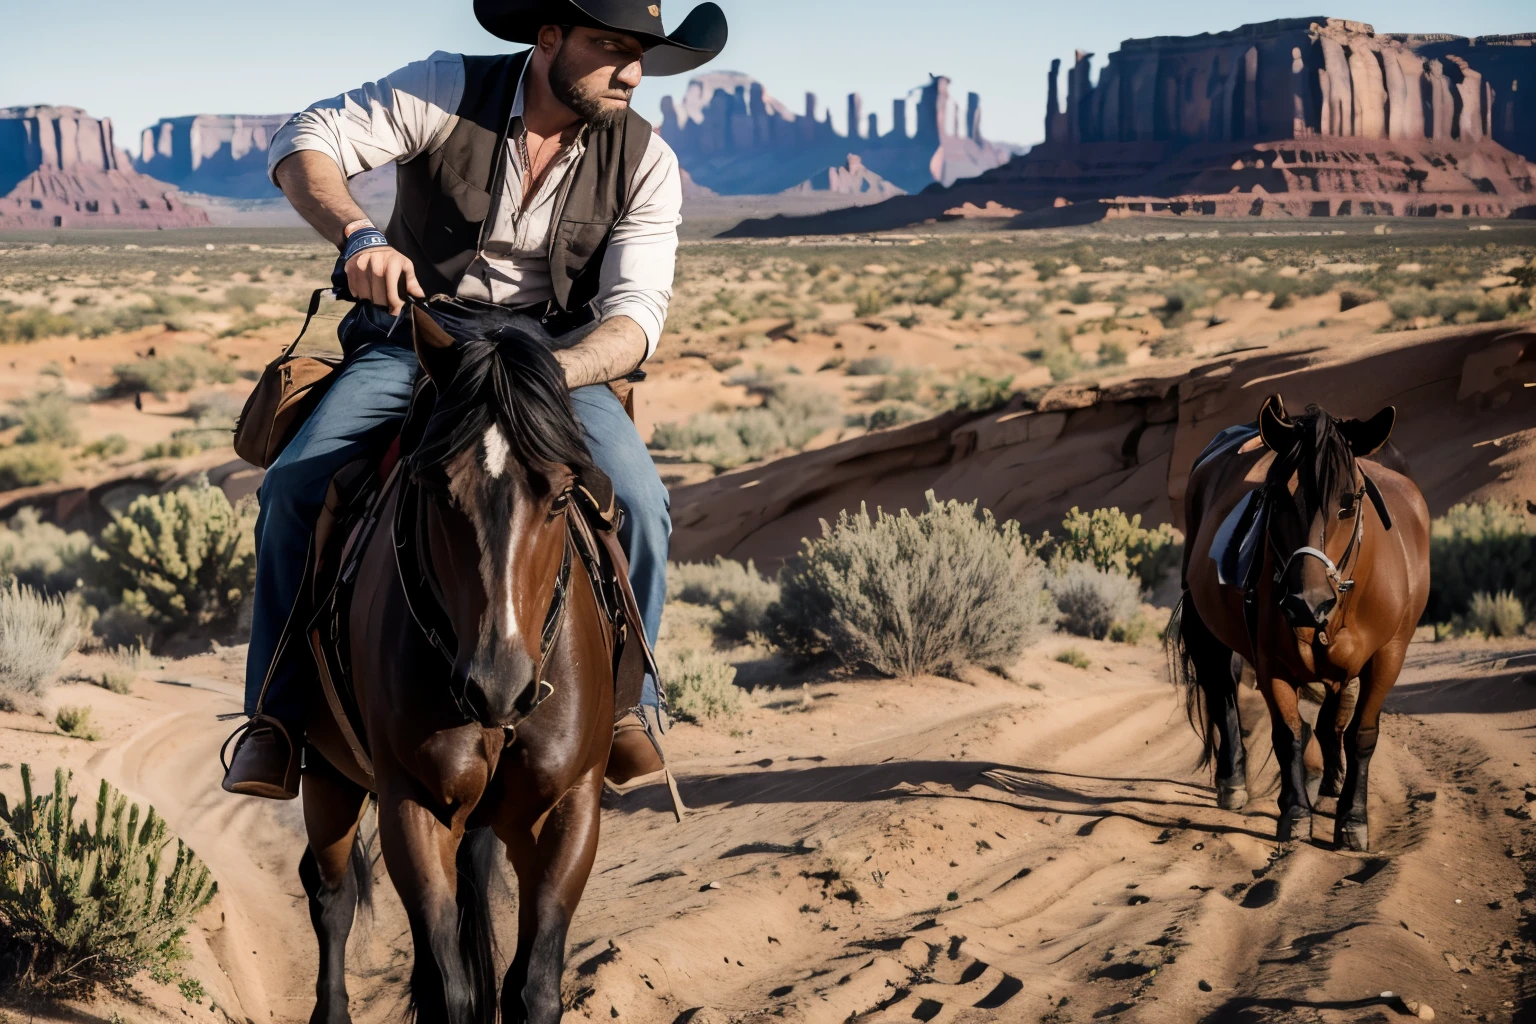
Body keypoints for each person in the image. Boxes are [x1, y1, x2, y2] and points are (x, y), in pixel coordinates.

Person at [221, 0, 728, 799]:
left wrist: (546, 378)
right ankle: (276, 720)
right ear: (550, 38)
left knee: (641, 502)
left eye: (641, 56)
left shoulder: (646, 159)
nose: (632, 73)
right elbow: (305, 141)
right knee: (294, 486)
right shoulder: (446, 88)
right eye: (610, 48)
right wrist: (361, 236)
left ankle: (630, 708)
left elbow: (635, 319)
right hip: (418, 340)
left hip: (556, 362)